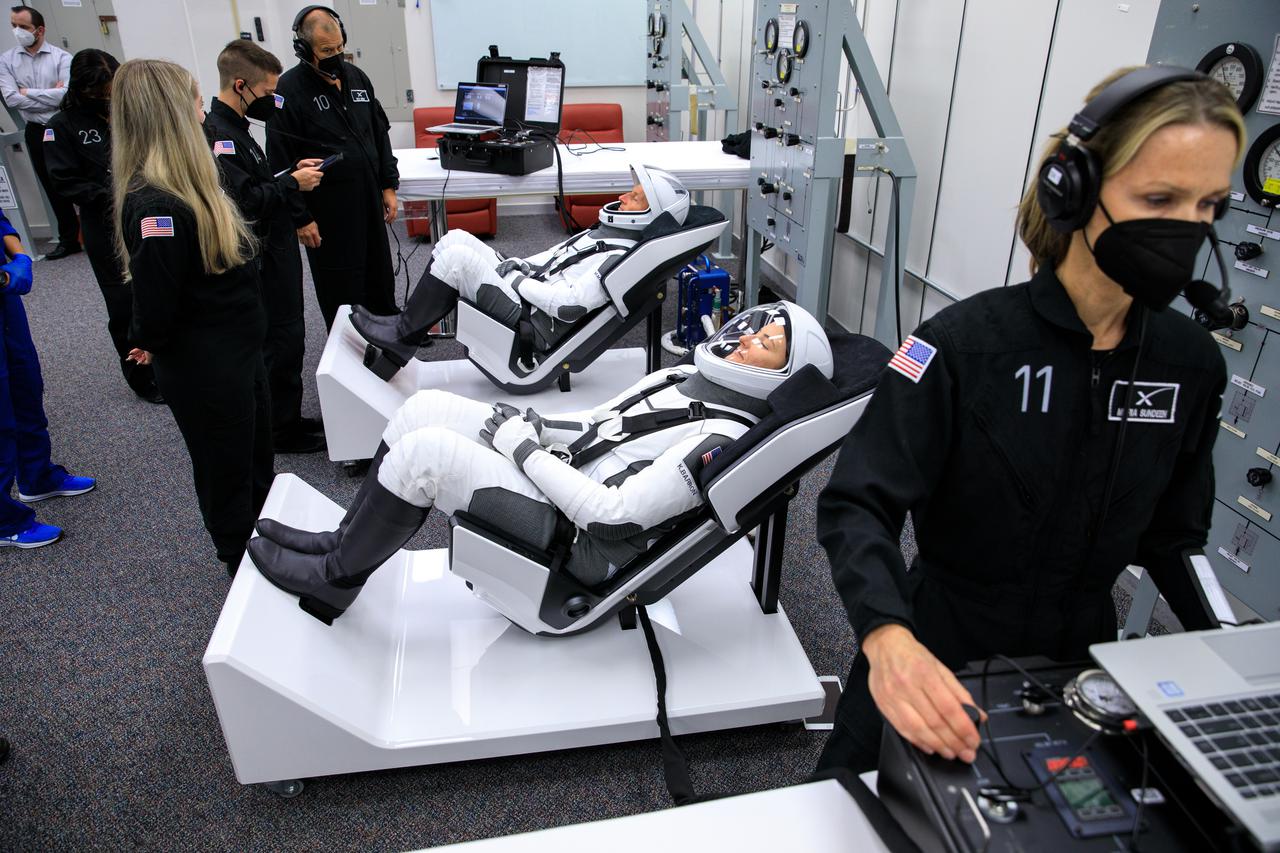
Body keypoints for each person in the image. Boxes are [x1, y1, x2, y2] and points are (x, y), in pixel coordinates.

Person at [814, 66, 1242, 773]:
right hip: (937, 652)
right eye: (1161, 198)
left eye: (1209, 206)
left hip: (1080, 676)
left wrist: (1235, 653)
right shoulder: (957, 347)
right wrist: (887, 638)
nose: (1188, 229)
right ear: (1072, 191)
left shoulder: (1189, 363)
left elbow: (1177, 537)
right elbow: (857, 501)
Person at [248, 302, 833, 624]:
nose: (748, 339)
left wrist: (521, 448)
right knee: (419, 409)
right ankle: (340, 542)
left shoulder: (723, 436)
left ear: (784, 373)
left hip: (576, 537)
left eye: (768, 345)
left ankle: (334, 581)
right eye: (757, 328)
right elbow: (601, 421)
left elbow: (611, 517)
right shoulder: (687, 375)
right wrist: (535, 427)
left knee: (422, 458)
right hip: (560, 470)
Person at [112, 59, 273, 573]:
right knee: (226, 472)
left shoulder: (192, 184)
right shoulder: (156, 204)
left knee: (254, 462)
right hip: (207, 366)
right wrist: (147, 338)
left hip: (238, 351)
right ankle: (238, 566)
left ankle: (265, 550)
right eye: (197, 102)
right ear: (172, 116)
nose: (205, 111)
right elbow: (156, 297)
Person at [354, 164, 691, 380]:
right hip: (529, 292)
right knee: (455, 238)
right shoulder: (607, 233)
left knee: (455, 260)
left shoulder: (621, 257)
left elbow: (569, 307)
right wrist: (522, 264)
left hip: (534, 321)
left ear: (649, 213)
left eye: (633, 198)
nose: (621, 197)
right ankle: (404, 327)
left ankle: (400, 339)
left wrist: (518, 279)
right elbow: (557, 254)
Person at [205, 39, 327, 455]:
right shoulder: (220, 137)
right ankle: (279, 431)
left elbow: (257, 182)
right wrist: (293, 183)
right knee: (278, 340)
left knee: (290, 336)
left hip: (276, 251)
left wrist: (290, 172)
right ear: (241, 85)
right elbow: (246, 200)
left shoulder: (240, 129)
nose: (273, 100)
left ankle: (287, 417)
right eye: (268, 92)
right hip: (260, 257)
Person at [267, 5, 398, 330]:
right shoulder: (289, 91)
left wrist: (388, 184)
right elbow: (280, 160)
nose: (336, 56)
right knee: (343, 287)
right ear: (303, 49)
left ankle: (390, 337)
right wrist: (301, 217)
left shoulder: (356, 78)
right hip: (328, 213)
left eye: (340, 48)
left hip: (368, 199)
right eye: (327, 51)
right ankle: (350, 353)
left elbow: (378, 134)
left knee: (379, 274)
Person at [43, 48, 161, 404]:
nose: (106, 97)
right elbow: (64, 181)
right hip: (104, 221)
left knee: (158, 288)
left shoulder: (127, 115)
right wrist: (112, 196)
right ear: (81, 88)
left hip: (145, 216)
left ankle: (170, 361)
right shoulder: (60, 127)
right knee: (123, 302)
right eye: (98, 92)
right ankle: (142, 376)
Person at [0, 210, 94, 548]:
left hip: (6, 304)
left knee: (25, 387)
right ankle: (4, 522)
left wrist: (21, 257)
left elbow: (0, 223)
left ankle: (36, 476)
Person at [0, 5, 78, 259]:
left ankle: (87, 233)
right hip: (36, 130)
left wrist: (28, 93)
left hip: (63, 128)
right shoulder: (7, 61)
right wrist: (48, 94)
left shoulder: (61, 58)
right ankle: (68, 239)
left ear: (40, 29)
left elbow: (66, 95)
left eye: (23, 26)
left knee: (78, 179)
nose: (17, 31)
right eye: (14, 25)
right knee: (52, 185)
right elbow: (11, 99)